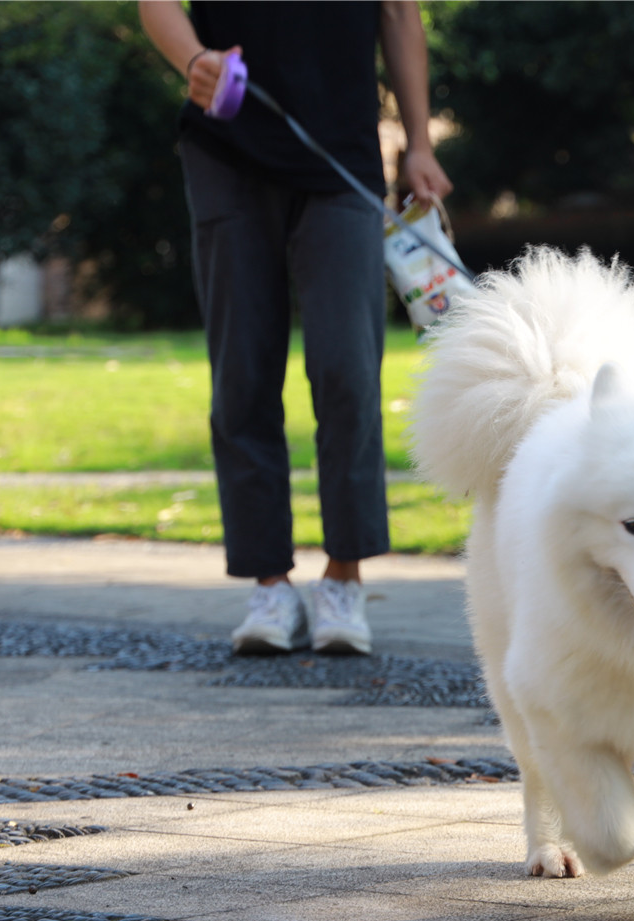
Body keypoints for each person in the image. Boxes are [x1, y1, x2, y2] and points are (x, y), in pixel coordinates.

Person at [139, 1, 452, 655]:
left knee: (347, 368)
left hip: (340, 160)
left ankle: (344, 576)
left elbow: (398, 13)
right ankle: (271, 584)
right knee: (243, 372)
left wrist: (419, 142)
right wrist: (194, 59)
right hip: (226, 148)